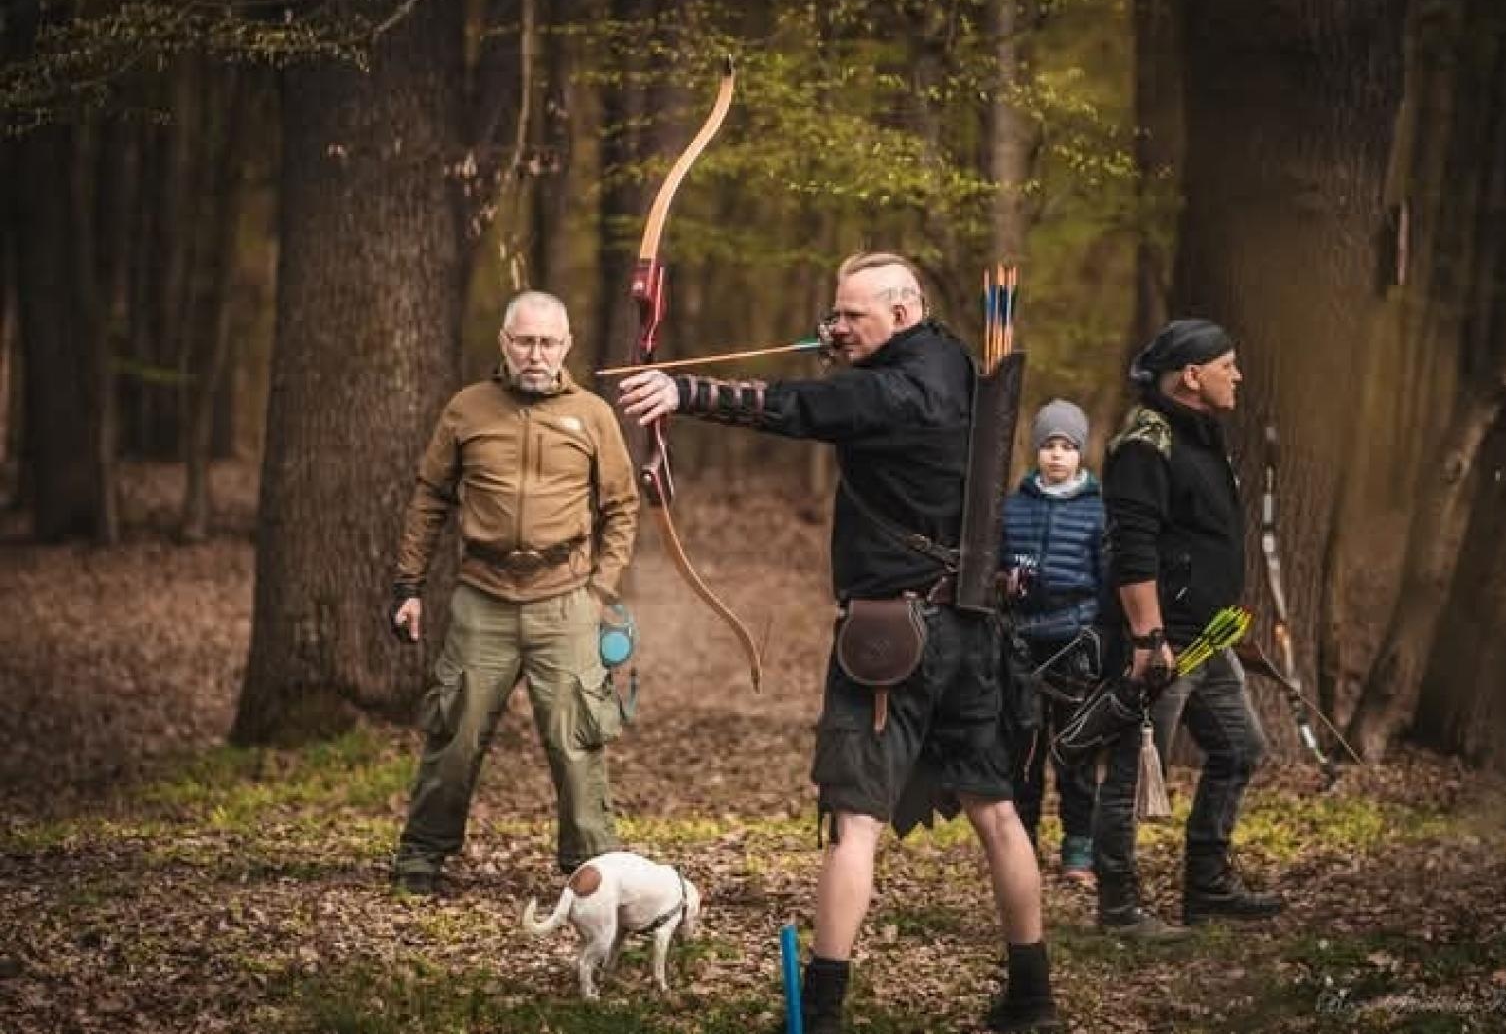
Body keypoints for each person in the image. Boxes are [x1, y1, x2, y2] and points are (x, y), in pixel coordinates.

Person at [617, 252, 1058, 1033]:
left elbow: (803, 408)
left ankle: (820, 1012)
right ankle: (1033, 999)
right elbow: (855, 381)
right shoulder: (952, 360)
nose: (835, 327)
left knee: (854, 822)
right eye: (834, 313)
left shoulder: (895, 391)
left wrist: (685, 391)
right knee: (996, 812)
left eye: (852, 315)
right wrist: (846, 344)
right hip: (968, 627)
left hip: (893, 639)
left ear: (902, 310)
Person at [389, 290, 640, 894]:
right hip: (483, 597)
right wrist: (408, 585)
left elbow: (622, 506)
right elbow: (430, 498)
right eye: (525, 341)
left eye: (549, 342)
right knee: (456, 733)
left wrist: (600, 589)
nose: (536, 354)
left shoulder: (593, 415)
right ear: (505, 341)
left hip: (567, 599)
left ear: (567, 345)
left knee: (577, 737)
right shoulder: (466, 409)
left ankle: (593, 868)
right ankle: (422, 857)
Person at [1094, 317, 1284, 937]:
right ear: (1192, 376)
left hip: (1210, 638)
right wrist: (1148, 639)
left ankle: (1206, 887)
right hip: (1164, 643)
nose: (1239, 375)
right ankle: (1119, 909)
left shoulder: (1201, 435)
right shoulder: (1146, 442)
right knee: (1129, 776)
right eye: (1228, 364)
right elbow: (1133, 546)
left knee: (1239, 748)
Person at [1001, 399, 1103, 882]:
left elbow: (1107, 580)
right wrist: (1006, 583)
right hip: (1022, 641)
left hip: (1075, 643)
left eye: (1066, 446)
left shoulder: (1098, 512)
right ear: (1035, 451)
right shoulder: (1014, 506)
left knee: (1075, 750)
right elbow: (997, 562)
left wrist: (1098, 633)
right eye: (1048, 446)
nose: (1057, 455)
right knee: (1024, 750)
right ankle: (1021, 845)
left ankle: (1079, 850)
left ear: (1080, 452)